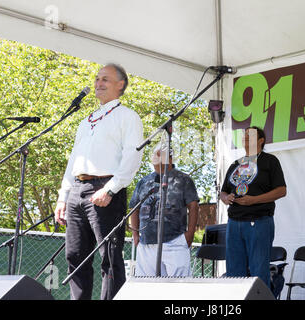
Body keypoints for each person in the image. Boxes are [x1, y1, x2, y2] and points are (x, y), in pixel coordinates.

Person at [54, 63, 144, 300]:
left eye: (105, 79)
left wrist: (111, 189)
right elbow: (74, 160)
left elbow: (132, 156)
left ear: (120, 85)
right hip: (77, 189)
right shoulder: (87, 120)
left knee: (110, 257)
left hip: (105, 189)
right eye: (97, 79)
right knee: (75, 255)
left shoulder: (128, 116)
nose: (98, 83)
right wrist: (63, 196)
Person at [220, 126, 287, 288]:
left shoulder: (270, 161)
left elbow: (281, 190)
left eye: (250, 135)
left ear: (261, 140)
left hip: (259, 221)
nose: (245, 138)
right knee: (234, 271)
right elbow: (223, 192)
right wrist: (226, 198)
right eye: (244, 135)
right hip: (234, 222)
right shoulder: (235, 164)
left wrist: (254, 200)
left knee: (258, 269)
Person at [130, 144, 199, 277]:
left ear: (169, 158)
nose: (155, 159)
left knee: (179, 288)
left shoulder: (183, 180)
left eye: (158, 155)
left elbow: (194, 207)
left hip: (175, 241)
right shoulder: (144, 181)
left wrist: (189, 234)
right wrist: (135, 236)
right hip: (146, 243)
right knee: (147, 288)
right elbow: (134, 208)